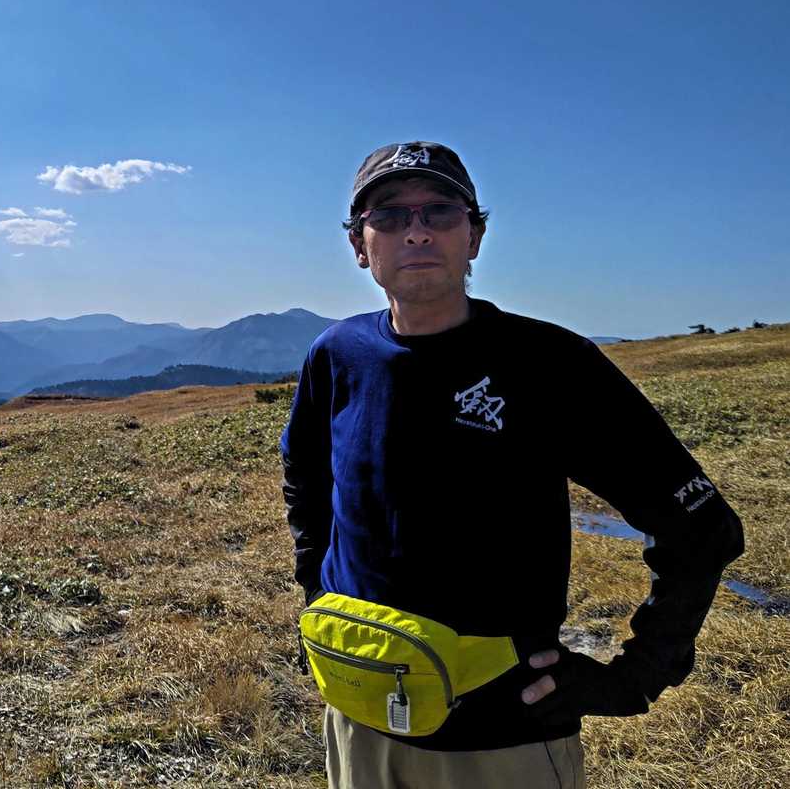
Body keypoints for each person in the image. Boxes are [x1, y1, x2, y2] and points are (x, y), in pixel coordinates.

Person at [279, 141, 745, 789]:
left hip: (504, 735)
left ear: (474, 236)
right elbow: (305, 473)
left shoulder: (549, 364)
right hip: (360, 716)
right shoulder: (336, 355)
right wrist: (317, 592)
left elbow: (703, 527)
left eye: (440, 212)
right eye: (388, 215)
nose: (416, 231)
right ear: (360, 244)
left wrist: (636, 676)